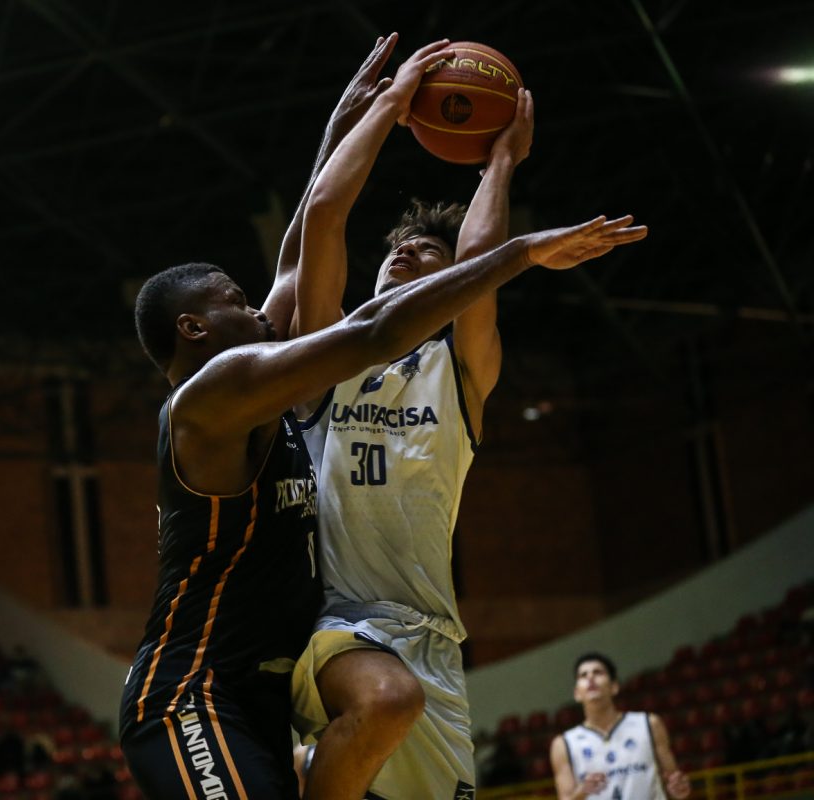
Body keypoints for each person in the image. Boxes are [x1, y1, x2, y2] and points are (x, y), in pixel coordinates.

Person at [117, 33, 648, 800]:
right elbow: (355, 300)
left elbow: (300, 247)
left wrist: (349, 123)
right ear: (195, 328)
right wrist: (522, 248)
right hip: (207, 682)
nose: (263, 308)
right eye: (238, 300)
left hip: (312, 675)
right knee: (388, 700)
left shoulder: (304, 373)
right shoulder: (223, 389)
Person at [285, 31, 535, 800]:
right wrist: (391, 105)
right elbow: (324, 218)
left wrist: (499, 163)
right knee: (389, 700)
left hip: (434, 639)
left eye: (427, 254)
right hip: (340, 624)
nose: (403, 255)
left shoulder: (459, 373)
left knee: (406, 710)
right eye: (397, 251)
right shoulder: (330, 356)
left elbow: (483, 265)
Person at [550, 653, 691, 800]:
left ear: (614, 687)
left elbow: (673, 782)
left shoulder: (649, 724)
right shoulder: (563, 744)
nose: (590, 677)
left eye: (598, 672)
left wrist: (679, 790)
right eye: (583, 675)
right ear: (577, 694)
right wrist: (582, 791)